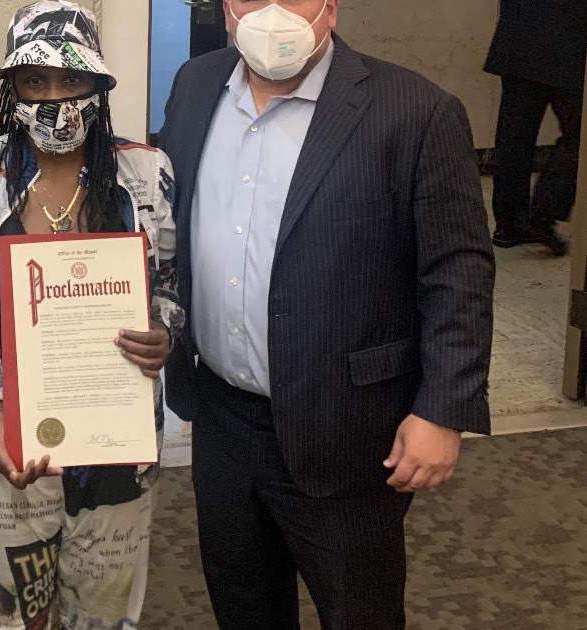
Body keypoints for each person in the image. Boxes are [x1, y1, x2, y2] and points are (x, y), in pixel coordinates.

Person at [159, 1, 495, 628]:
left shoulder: (415, 112)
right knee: (243, 607)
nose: (273, 12)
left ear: (331, 8)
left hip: (348, 428)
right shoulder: (195, 84)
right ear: (227, 10)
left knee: (359, 612)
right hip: (222, 419)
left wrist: (443, 408)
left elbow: (458, 272)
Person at [0, 2, 185, 628]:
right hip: (7, 457)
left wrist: (165, 333)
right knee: (3, 619)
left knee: (104, 618)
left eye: (72, 81)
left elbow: (171, 290)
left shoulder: (147, 175)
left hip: (117, 455)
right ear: (10, 88)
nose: (54, 97)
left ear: (98, 86)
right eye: (34, 81)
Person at [485, 0, 587, 256]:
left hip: (521, 39)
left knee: (514, 137)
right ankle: (545, 211)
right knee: (580, 138)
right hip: (569, 43)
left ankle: (509, 225)